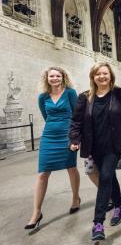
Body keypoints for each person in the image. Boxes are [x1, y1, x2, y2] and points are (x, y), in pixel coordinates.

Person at [69, 62, 121, 241]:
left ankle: (98, 223)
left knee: (104, 178)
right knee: (109, 177)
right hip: (93, 147)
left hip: (113, 145)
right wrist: (74, 139)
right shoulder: (85, 97)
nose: (102, 77)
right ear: (93, 77)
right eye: (98, 74)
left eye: (105, 73)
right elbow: (76, 122)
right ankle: (119, 206)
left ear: (110, 75)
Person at [25, 67, 80, 229]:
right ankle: (36, 212)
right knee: (42, 173)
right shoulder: (42, 97)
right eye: (51, 76)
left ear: (63, 78)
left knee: (71, 168)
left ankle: (75, 198)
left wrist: (75, 137)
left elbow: (77, 115)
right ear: (47, 78)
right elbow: (46, 116)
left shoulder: (70, 93)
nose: (54, 78)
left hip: (67, 136)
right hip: (49, 137)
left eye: (58, 76)